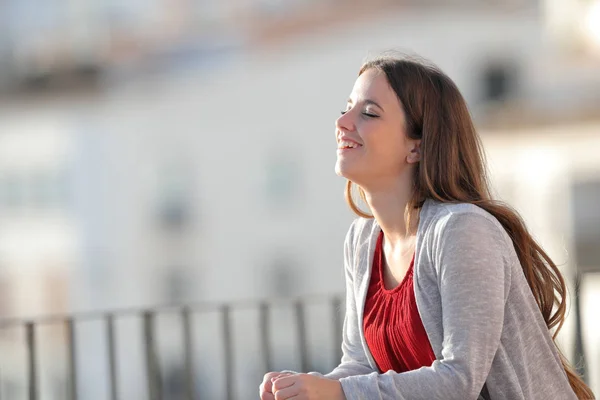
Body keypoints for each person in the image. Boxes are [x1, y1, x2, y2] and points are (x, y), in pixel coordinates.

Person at [259, 54, 596, 400]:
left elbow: (460, 380)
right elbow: (361, 364)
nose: (343, 122)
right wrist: (308, 386)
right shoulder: (362, 241)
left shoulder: (462, 230)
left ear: (417, 147)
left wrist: (337, 392)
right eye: (346, 108)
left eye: (369, 113)